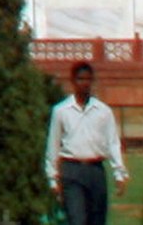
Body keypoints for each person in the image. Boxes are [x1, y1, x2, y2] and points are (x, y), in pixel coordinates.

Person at [48, 61, 124, 225]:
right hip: (71, 170)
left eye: (88, 79)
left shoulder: (103, 111)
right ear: (73, 81)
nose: (85, 83)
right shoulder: (61, 111)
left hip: (95, 170)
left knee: (96, 220)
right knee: (77, 219)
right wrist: (52, 177)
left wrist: (119, 172)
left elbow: (112, 143)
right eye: (80, 79)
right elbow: (53, 145)